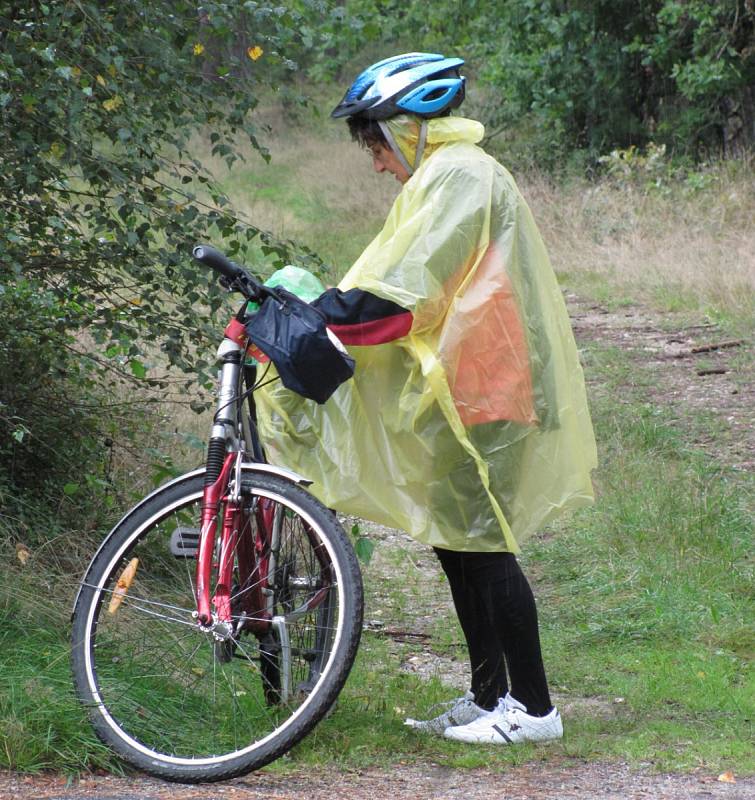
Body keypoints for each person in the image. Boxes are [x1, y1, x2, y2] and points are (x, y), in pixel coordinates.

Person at [256, 52, 597, 745]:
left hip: (485, 381)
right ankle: (488, 695)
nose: (378, 164)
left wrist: (315, 314)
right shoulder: (443, 177)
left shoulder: (462, 176)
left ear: (405, 129)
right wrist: (317, 312)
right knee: (458, 543)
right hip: (461, 379)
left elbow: (400, 296)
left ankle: (533, 711)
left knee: (485, 544)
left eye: (376, 146)